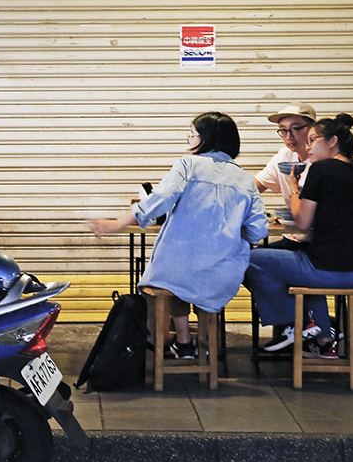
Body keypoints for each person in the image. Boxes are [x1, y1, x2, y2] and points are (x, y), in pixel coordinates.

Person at [87, 112, 269, 359]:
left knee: (165, 281)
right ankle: (205, 349)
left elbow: (158, 202)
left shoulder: (187, 165)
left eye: (192, 135)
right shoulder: (247, 180)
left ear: (205, 139)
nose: (189, 140)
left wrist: (117, 224)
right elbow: (258, 231)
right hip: (222, 276)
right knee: (193, 281)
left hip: (178, 271)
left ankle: (182, 341)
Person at [246, 114, 353, 359]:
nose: (308, 147)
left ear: (333, 141)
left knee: (251, 258)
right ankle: (325, 341)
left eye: (313, 140)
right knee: (300, 272)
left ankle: (296, 325)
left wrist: (293, 187)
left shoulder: (320, 169)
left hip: (326, 268)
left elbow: (302, 221)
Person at [255, 102, 317, 251]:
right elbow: (253, 187)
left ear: (312, 129)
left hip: (318, 244)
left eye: (295, 129)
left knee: (253, 261)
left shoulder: (323, 162)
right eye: (283, 130)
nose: (289, 136)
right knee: (245, 258)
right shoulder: (284, 157)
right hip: (293, 238)